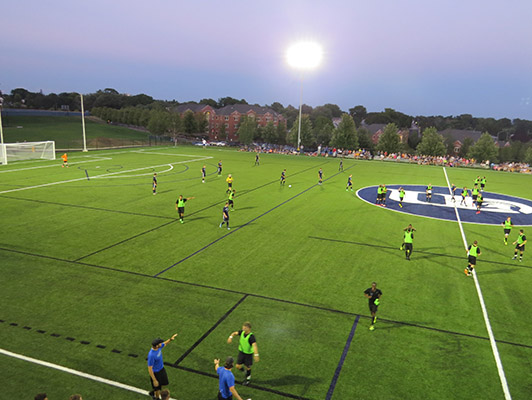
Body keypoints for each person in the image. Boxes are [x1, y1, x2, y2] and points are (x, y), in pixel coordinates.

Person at [148, 333, 178, 400]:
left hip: (161, 369)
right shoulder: (151, 355)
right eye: (160, 343)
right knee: (157, 387)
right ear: (156, 345)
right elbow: (150, 369)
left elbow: (165, 343)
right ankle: (156, 397)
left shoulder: (158, 347)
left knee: (164, 383)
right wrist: (154, 380)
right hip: (156, 373)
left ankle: (154, 391)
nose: (161, 344)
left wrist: (170, 339)